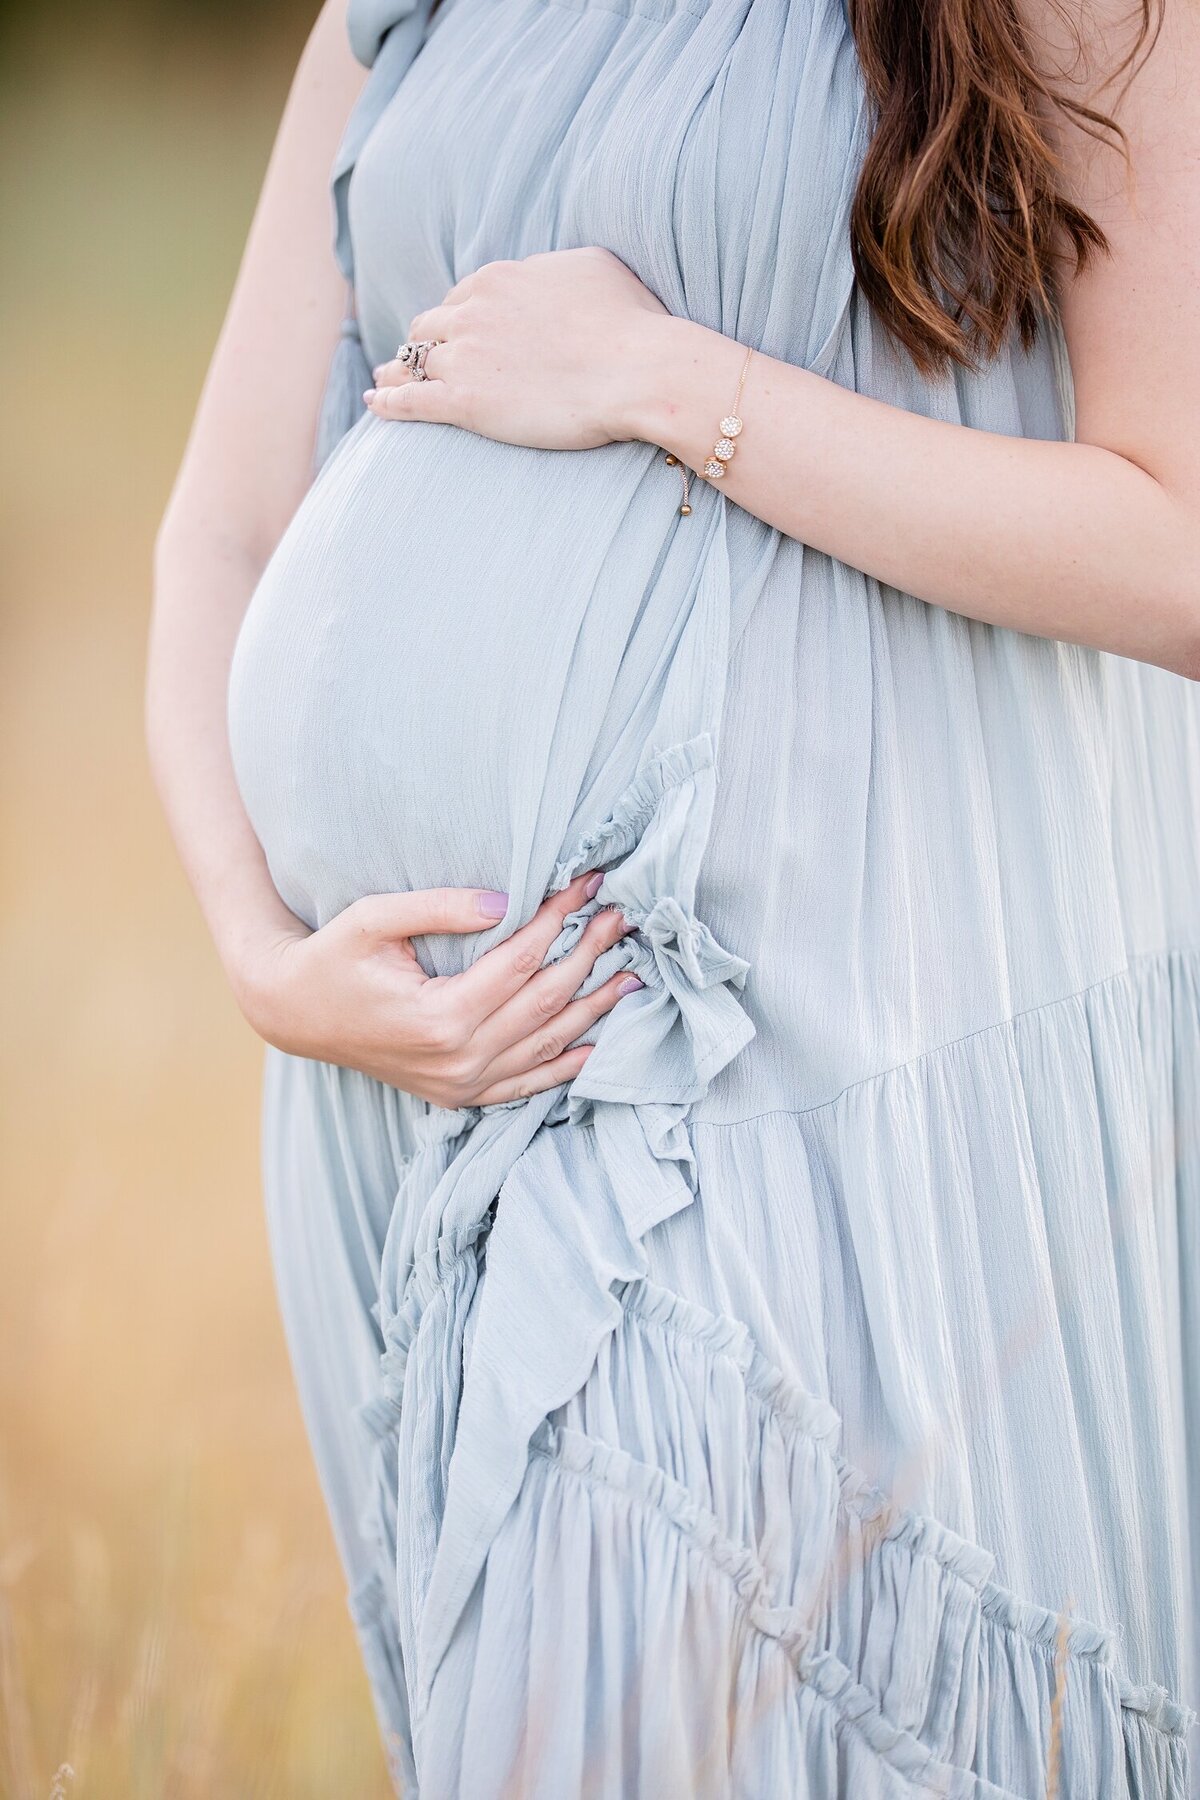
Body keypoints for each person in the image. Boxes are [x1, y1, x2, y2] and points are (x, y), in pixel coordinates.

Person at [147, 0, 1199, 1791]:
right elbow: (223, 525)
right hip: (392, 1087)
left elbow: (1175, 542)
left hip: (758, 1066)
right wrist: (261, 959)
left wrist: (662, 381)